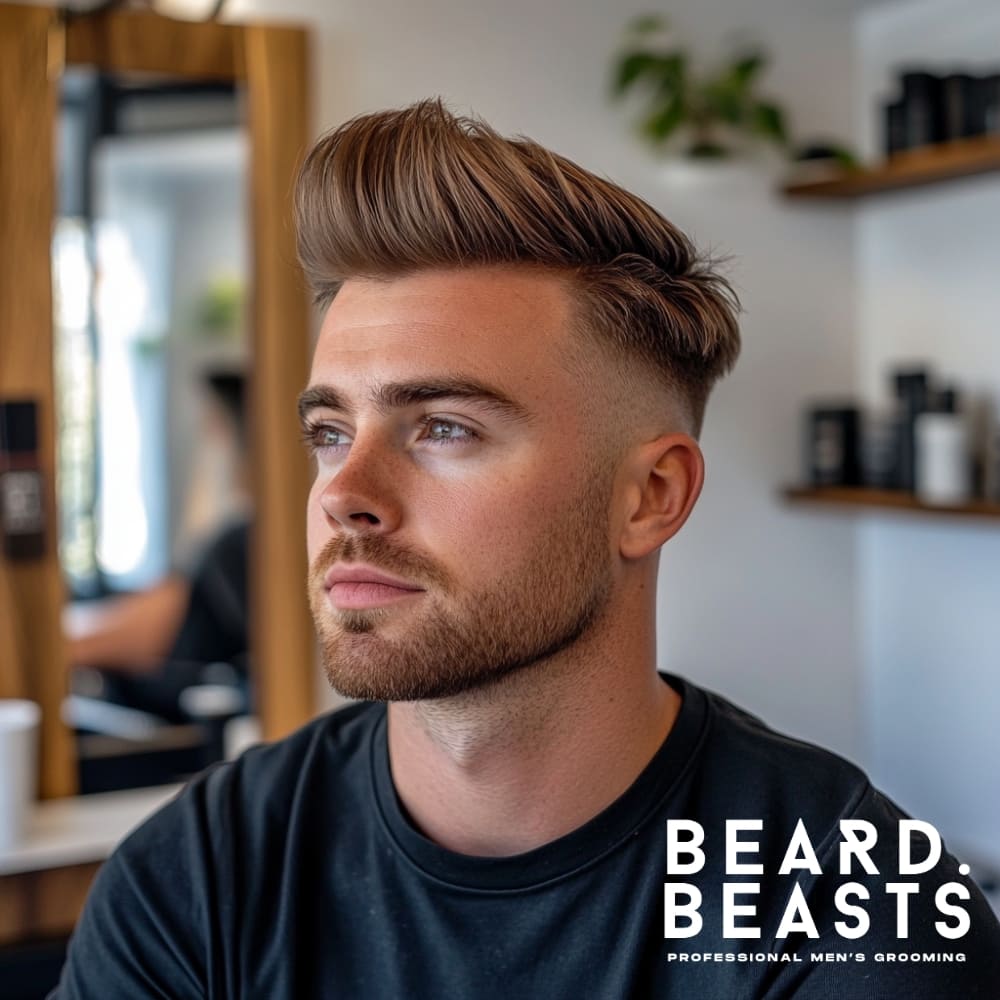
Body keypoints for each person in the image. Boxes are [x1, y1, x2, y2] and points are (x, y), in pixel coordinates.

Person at [51, 100, 1000, 998]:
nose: (343, 494)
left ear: (650, 498)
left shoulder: (859, 910)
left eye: (445, 428)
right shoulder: (205, 876)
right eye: (330, 433)